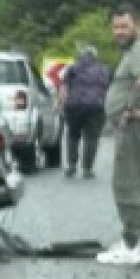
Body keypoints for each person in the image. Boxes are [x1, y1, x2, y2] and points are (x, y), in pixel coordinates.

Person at [96, 5, 140, 266]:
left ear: (136, 24)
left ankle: (130, 244)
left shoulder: (138, 50)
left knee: (127, 184)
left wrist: (127, 107)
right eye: (115, 27)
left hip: (137, 126)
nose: (119, 32)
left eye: (124, 26)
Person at [59, 45, 109, 179]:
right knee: (91, 138)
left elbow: (63, 87)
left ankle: (71, 165)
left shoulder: (72, 68)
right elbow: (107, 88)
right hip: (95, 107)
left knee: (73, 135)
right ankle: (87, 169)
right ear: (95, 56)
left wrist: (62, 103)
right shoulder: (103, 69)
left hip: (73, 105)